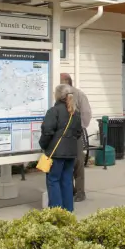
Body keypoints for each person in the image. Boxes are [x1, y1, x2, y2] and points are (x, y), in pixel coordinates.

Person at [39, 83, 82, 211]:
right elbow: (78, 132)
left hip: (56, 153)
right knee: (67, 181)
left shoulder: (54, 111)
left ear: (58, 96)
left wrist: (44, 145)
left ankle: (57, 213)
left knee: (53, 181)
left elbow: (47, 130)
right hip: (70, 153)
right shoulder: (75, 113)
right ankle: (68, 211)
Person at [60, 73, 92, 202]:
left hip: (75, 134)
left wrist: (79, 128)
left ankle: (80, 191)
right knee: (66, 162)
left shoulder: (78, 94)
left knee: (77, 162)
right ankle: (70, 189)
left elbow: (86, 113)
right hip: (62, 135)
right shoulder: (59, 95)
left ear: (66, 82)